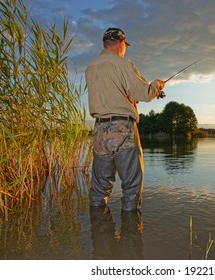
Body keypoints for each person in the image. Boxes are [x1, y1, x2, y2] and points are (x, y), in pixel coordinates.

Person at [85, 27, 165, 211]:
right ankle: (131, 233)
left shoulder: (90, 67)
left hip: (99, 131)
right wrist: (157, 85)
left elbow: (111, 93)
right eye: (125, 45)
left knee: (99, 188)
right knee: (131, 187)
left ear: (105, 43)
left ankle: (99, 232)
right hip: (122, 128)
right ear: (121, 43)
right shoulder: (123, 64)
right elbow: (145, 93)